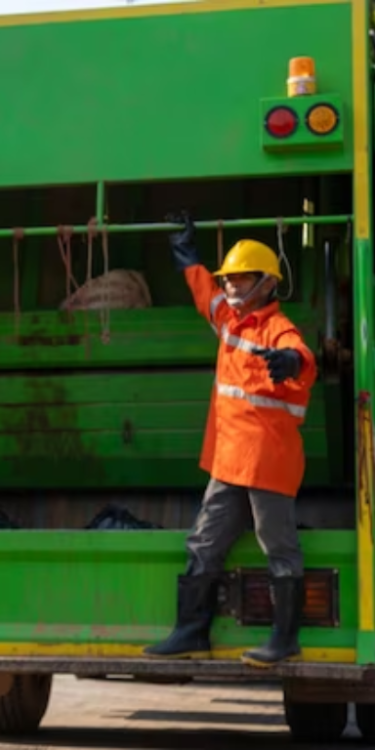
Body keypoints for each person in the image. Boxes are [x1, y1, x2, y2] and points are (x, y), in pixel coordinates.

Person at [143, 210, 316, 668]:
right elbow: (205, 292)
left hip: (268, 461)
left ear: (267, 283)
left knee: (277, 547)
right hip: (231, 461)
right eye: (230, 279)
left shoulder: (276, 327)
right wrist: (185, 253)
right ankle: (190, 632)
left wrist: (292, 363)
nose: (232, 287)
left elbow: (300, 352)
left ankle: (284, 639)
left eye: (241, 280)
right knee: (204, 542)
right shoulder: (228, 321)